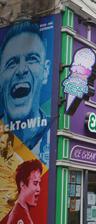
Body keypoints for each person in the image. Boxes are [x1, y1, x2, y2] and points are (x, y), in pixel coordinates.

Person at [0, 21, 51, 167]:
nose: (21, 69)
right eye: (11, 63)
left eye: (32, 59)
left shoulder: (50, 134)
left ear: (45, 71)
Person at [6, 159, 42, 224]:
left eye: (39, 183)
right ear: (22, 185)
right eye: (35, 183)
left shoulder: (22, 212)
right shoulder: (19, 215)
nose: (39, 189)